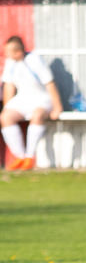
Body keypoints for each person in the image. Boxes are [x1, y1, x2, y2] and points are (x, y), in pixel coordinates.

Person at [1, 36, 62, 170]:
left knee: (37, 115)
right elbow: (9, 86)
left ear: (18, 52)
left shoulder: (35, 60)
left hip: (42, 98)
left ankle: (30, 156)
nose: (6, 54)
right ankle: (20, 157)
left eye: (9, 52)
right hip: (23, 98)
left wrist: (57, 107)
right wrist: (6, 107)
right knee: (5, 117)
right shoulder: (10, 63)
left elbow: (50, 83)